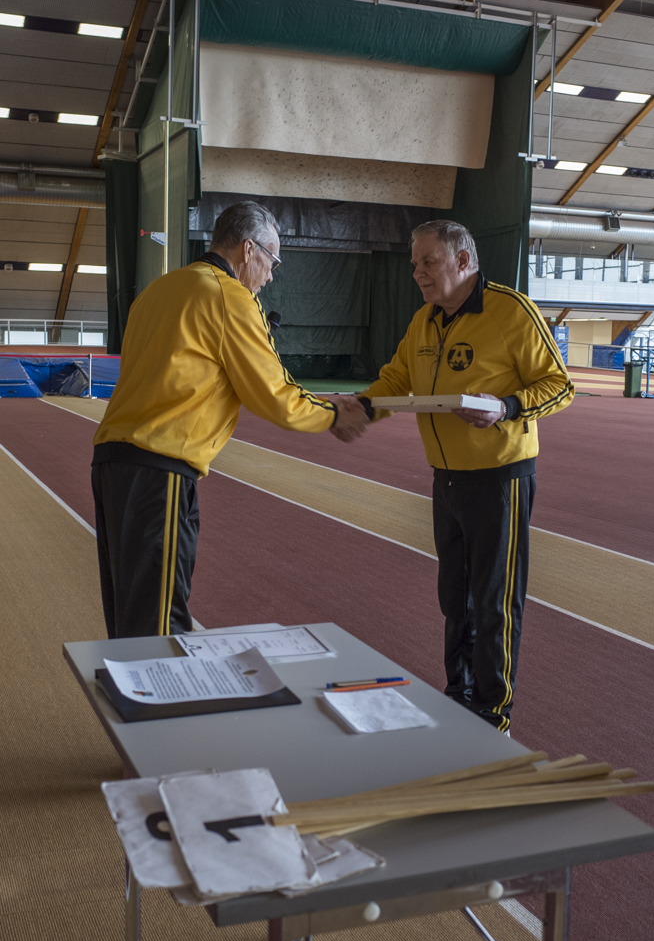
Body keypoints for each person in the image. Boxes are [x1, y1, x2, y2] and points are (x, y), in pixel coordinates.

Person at [92, 201, 367, 638]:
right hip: (160, 467)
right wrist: (333, 414)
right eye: (272, 260)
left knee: (131, 616)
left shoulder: (160, 289)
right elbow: (275, 396)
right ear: (248, 249)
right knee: (159, 627)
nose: (270, 276)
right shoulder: (229, 296)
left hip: (113, 461)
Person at [358, 220, 574, 733]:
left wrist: (506, 407)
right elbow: (398, 379)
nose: (418, 273)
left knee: (495, 600)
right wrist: (359, 407)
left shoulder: (510, 311)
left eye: (428, 262)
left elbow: (559, 385)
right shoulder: (424, 321)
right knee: (456, 599)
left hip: (500, 479)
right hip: (447, 479)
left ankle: (494, 713)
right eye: (415, 264)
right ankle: (460, 696)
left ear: (462, 260)